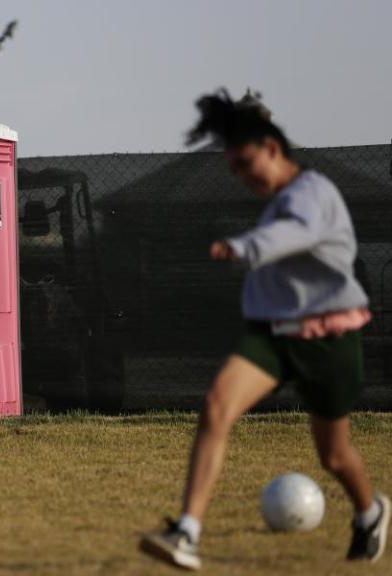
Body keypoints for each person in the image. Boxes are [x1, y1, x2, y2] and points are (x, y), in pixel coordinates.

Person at [139, 89, 389, 570]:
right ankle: (186, 531)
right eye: (233, 167)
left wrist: (245, 247)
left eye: (245, 162)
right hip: (275, 336)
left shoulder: (313, 194)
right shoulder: (276, 203)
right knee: (217, 407)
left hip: (331, 339)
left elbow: (297, 234)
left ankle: (370, 510)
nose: (242, 176)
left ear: (273, 149)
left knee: (335, 458)